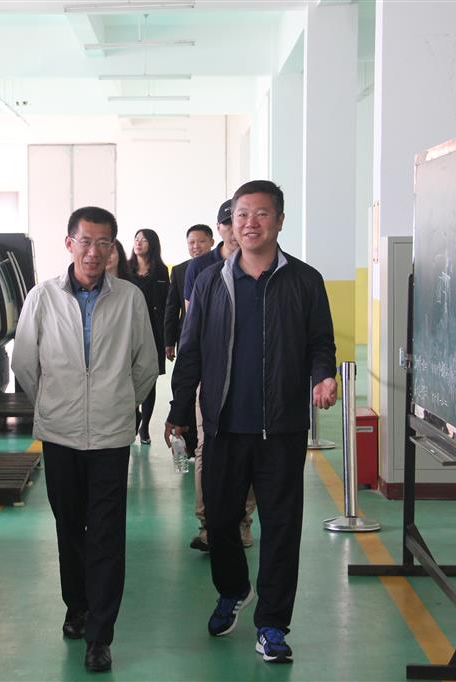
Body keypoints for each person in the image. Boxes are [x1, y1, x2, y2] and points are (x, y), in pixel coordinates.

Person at [165, 180, 337, 664]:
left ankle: (273, 624)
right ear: (231, 223)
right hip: (224, 426)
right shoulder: (209, 282)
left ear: (279, 221)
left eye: (261, 214)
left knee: (281, 527)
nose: (250, 223)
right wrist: (180, 411)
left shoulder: (304, 280)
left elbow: (320, 342)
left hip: (281, 429)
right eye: (242, 214)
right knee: (220, 522)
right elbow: (191, 352)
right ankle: (233, 588)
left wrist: (323, 375)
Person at [12, 206, 158, 674]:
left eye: (103, 243)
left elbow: (146, 365)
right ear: (69, 243)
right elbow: (25, 363)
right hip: (60, 434)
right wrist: (53, 404)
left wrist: (118, 402)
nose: (94, 252)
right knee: (70, 525)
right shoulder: (42, 297)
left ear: (114, 248)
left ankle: (100, 635)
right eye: (85, 241)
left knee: (107, 535)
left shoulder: (130, 299)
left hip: (111, 436)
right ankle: (76, 606)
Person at [181, 202, 255, 553]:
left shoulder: (262, 265)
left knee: (250, 451)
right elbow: (192, 325)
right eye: (229, 221)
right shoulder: (200, 268)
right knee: (206, 448)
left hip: (250, 380)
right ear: (222, 228)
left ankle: (242, 523)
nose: (234, 228)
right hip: (210, 377)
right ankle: (208, 524)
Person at [127, 228, 169, 445]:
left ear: (152, 244)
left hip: (154, 332)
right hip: (129, 332)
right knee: (128, 377)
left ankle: (145, 427)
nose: (138, 243)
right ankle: (134, 418)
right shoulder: (126, 269)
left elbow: (167, 305)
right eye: (136, 239)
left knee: (149, 378)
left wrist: (168, 340)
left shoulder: (161, 271)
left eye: (143, 240)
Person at [164, 224, 214, 362]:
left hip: (215, 333)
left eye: (201, 241)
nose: (196, 246)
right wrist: (169, 341)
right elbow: (172, 308)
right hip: (187, 335)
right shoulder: (179, 270)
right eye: (191, 242)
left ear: (212, 242)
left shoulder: (223, 267)